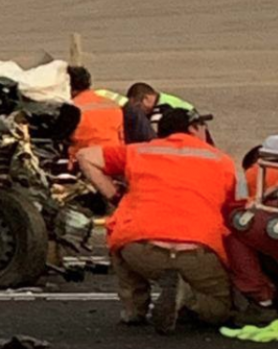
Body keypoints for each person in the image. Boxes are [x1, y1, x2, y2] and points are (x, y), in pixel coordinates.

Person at [77, 108, 237, 334]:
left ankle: (134, 309)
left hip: (142, 250)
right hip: (198, 251)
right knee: (220, 309)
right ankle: (186, 303)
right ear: (193, 128)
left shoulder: (139, 151)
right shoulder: (221, 161)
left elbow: (85, 156)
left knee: (120, 224)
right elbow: (229, 215)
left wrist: (115, 195)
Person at [224, 142, 278, 324]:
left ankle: (263, 300)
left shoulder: (252, 174)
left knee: (234, 235)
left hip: (265, 228)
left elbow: (238, 216)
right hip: (269, 230)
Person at [67, 66, 123, 156]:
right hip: (114, 155)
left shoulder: (71, 108)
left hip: (85, 158)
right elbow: (121, 136)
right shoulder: (111, 104)